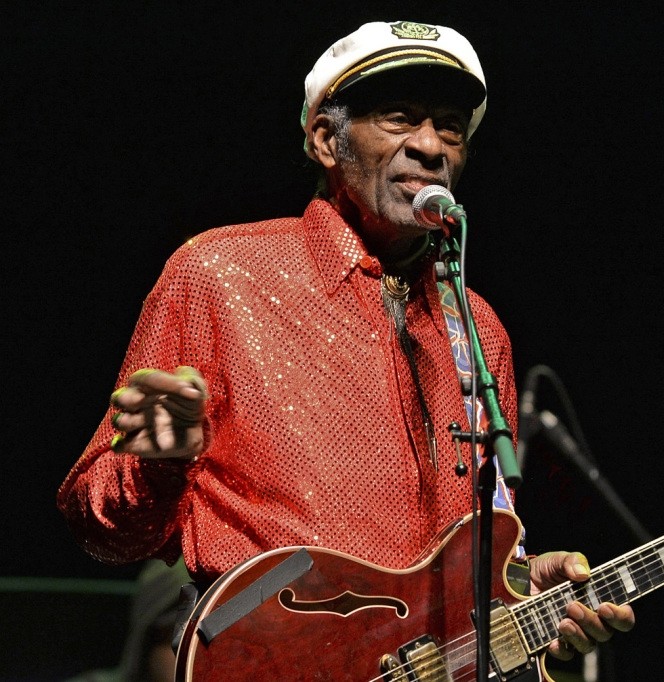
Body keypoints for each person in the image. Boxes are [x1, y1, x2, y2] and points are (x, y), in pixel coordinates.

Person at [57, 19, 634, 675]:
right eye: (398, 117)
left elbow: (475, 547)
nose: (430, 145)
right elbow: (99, 532)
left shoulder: (477, 326)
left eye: (450, 126)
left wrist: (523, 589)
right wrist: (157, 466)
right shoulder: (217, 274)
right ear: (326, 139)